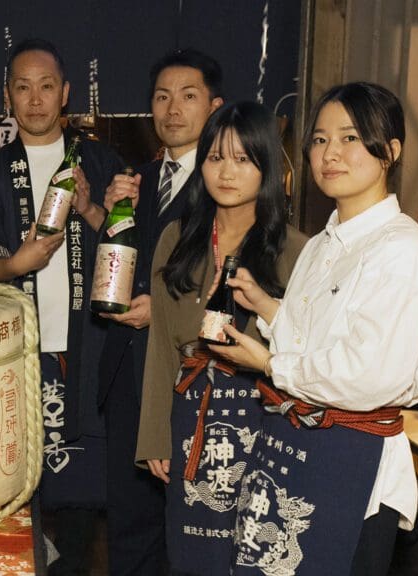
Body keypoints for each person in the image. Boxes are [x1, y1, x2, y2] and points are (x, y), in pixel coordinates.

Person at [211, 83, 418, 574]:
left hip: (355, 461)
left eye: (350, 138)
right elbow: (316, 337)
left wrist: (269, 364)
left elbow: (369, 375)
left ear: (391, 151)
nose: (330, 153)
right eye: (319, 139)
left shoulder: (403, 251)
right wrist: (269, 308)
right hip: (300, 446)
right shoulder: (322, 243)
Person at [0, 38, 122, 575]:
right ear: (7, 96)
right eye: (23, 87)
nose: (35, 100)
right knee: (12, 495)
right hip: (17, 358)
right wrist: (17, 263)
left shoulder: (101, 162)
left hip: (87, 354)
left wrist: (92, 209)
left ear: (66, 93)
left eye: (46, 86)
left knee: (80, 503)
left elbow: (132, 249)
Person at [134, 101, 307, 574]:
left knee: (258, 553)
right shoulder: (177, 238)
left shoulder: (297, 250)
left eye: (243, 159)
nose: (226, 172)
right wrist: (154, 436)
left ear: (266, 166)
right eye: (215, 158)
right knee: (193, 551)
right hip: (191, 413)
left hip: (263, 415)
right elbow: (161, 347)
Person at [94, 47, 224, 576]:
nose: (173, 109)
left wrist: (164, 311)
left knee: (191, 525)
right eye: (162, 96)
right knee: (129, 524)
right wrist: (109, 215)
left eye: (188, 96)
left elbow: (231, 279)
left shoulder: (228, 184)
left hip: (192, 379)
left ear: (214, 107)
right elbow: (117, 265)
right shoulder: (137, 180)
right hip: (128, 371)